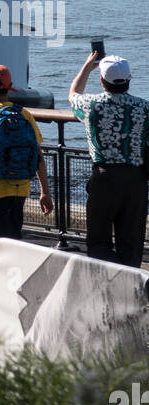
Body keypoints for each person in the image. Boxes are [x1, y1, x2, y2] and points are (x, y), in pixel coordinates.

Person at [69, 52, 149, 267]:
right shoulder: (144, 107)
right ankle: (129, 283)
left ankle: (106, 282)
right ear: (129, 80)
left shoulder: (91, 104)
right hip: (136, 179)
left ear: (102, 81)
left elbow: (73, 94)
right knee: (131, 241)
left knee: (98, 239)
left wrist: (87, 67)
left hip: (104, 178)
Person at [0, 64, 53, 242]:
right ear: (10, 86)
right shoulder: (25, 114)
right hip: (21, 187)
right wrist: (45, 192)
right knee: (14, 238)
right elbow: (38, 156)